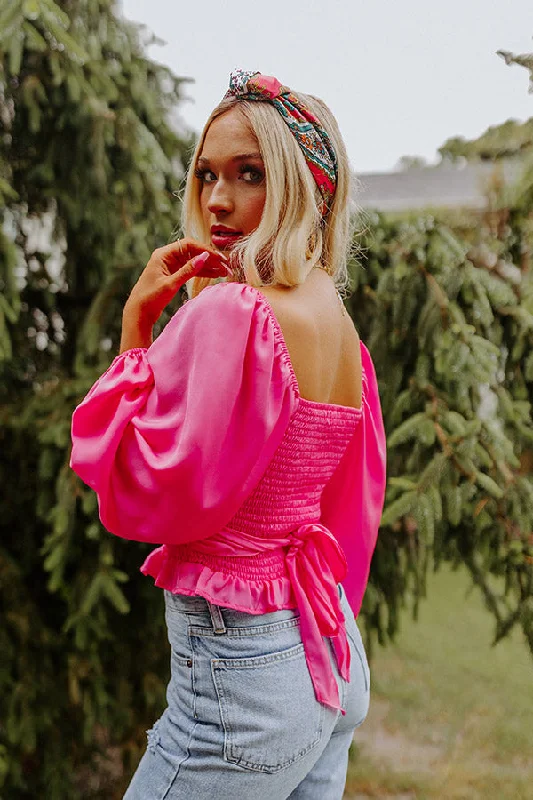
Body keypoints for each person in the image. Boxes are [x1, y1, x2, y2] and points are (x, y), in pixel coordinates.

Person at [70, 69, 387, 800]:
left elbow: (139, 491)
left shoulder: (235, 314)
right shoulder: (337, 325)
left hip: (242, 684)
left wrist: (134, 333)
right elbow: (352, 507)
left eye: (250, 175)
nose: (217, 200)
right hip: (328, 649)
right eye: (206, 173)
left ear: (306, 185)